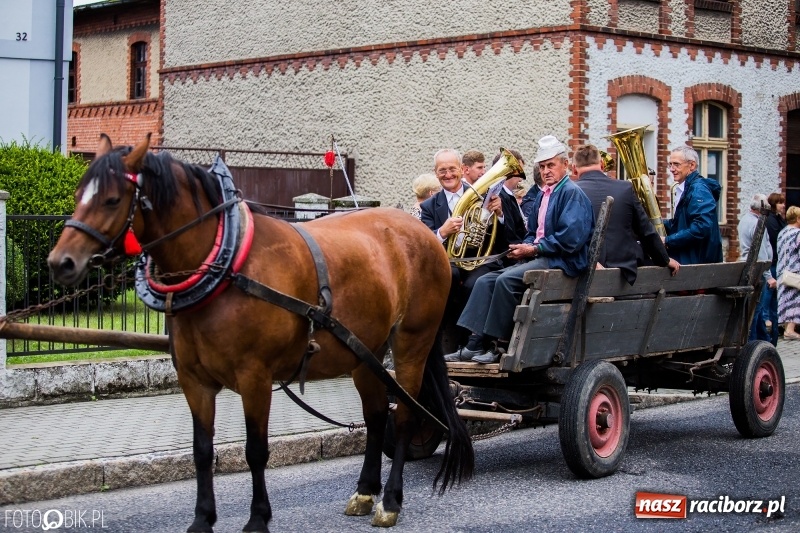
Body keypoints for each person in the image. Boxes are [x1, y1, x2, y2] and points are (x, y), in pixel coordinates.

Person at [445, 135, 594, 364]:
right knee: (486, 280)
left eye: (550, 165)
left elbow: (570, 240)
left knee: (506, 280)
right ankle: (474, 343)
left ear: (565, 165)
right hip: (544, 254)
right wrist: (523, 246)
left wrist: (533, 249)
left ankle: (499, 345)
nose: (545, 171)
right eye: (542, 167)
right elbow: (532, 232)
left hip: (563, 261)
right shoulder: (546, 194)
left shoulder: (571, 193)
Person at [420, 149, 505, 339]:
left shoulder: (481, 195)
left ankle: (471, 340)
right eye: (442, 171)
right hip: (449, 262)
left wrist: (499, 214)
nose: (448, 175)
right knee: (448, 277)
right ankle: (443, 338)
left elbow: (505, 236)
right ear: (436, 173)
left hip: (480, 259)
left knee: (473, 284)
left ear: (461, 169)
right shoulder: (429, 206)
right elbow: (424, 243)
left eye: (452, 169)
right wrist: (442, 232)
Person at [571, 144, 679, 284]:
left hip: (586, 274)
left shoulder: (571, 192)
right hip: (624, 273)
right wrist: (664, 259)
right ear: (602, 164)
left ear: (574, 169)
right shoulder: (625, 187)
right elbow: (646, 230)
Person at [662, 145, 723, 264]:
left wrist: (668, 240)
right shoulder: (689, 188)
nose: (671, 169)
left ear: (692, 165)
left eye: (676, 164)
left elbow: (701, 227)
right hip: (693, 260)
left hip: (696, 262)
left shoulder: (698, 190)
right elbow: (682, 224)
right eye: (670, 164)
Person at [737, 194, 777, 344]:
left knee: (757, 314)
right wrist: (768, 276)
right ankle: (752, 345)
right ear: (761, 209)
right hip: (757, 272)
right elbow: (759, 252)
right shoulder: (757, 224)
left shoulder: (745, 220)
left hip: (751, 269)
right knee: (755, 311)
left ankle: (765, 344)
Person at [764, 192, 787, 340]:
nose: (783, 205)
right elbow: (774, 240)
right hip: (772, 263)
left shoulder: (779, 219)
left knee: (774, 298)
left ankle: (773, 332)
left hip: (777, 262)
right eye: (780, 203)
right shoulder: (771, 220)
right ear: (773, 204)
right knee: (768, 295)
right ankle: (767, 328)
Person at [778, 206, 800, 340]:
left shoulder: (783, 232)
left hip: (783, 272)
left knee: (786, 300)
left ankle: (787, 328)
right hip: (795, 272)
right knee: (795, 300)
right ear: (798, 218)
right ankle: (790, 330)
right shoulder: (797, 233)